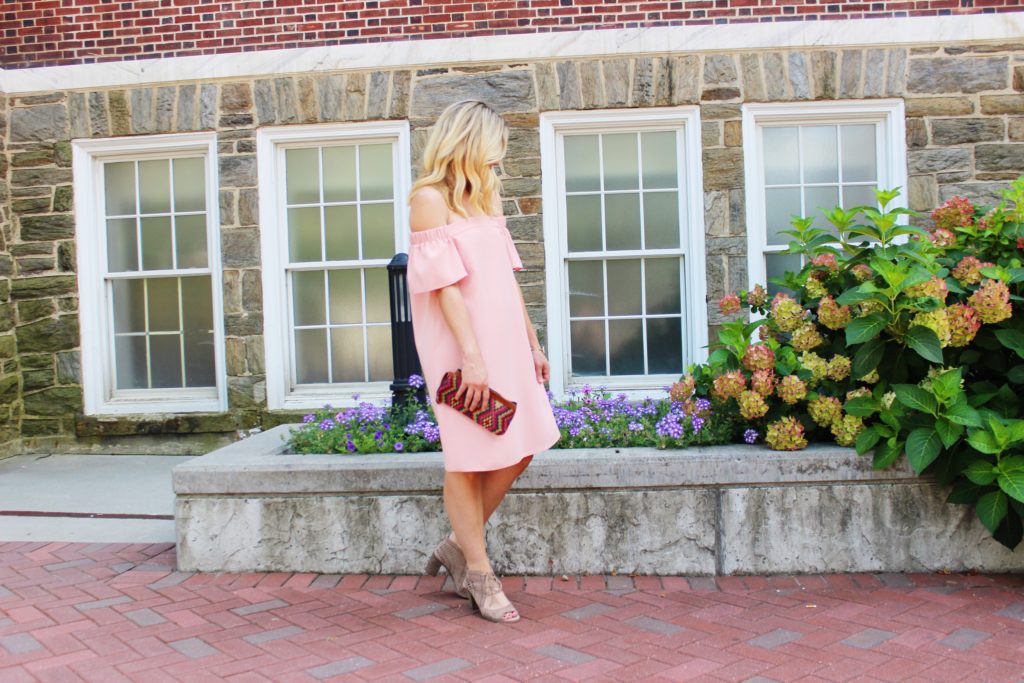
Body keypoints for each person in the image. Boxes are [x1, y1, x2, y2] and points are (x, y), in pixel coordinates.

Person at [406, 100, 561, 623]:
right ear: (469, 143)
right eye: (494, 149)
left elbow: (508, 282)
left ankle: (455, 545)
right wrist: (471, 357)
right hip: (460, 347)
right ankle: (478, 572)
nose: (500, 160)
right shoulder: (429, 200)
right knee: (468, 457)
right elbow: (445, 287)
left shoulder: (487, 201)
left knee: (524, 444)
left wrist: (533, 344)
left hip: (506, 343)